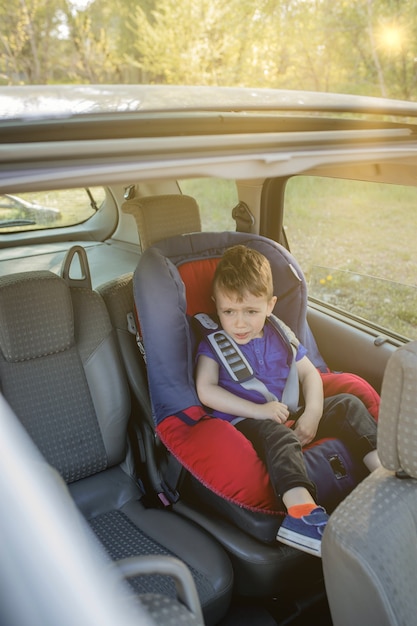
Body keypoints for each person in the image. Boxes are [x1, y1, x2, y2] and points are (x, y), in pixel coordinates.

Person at [195, 244, 381, 557]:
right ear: (216, 306)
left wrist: (313, 414)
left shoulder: (280, 334)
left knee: (348, 403)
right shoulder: (214, 344)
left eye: (251, 312)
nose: (239, 323)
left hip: (289, 411)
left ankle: (385, 475)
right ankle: (302, 515)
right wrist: (258, 410)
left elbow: (310, 376)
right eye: (229, 312)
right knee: (278, 435)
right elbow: (206, 389)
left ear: (270, 306)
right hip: (246, 422)